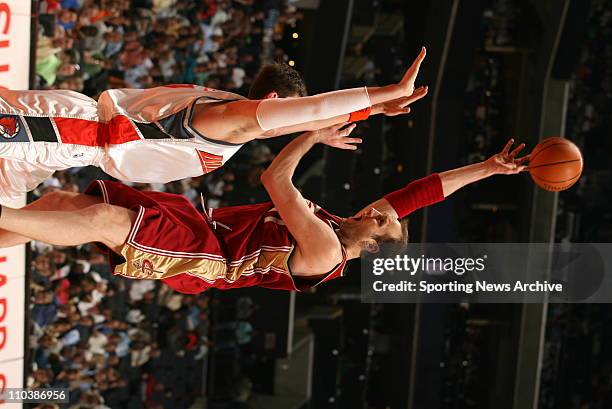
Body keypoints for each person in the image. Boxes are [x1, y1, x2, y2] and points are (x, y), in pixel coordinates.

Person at [0, 121, 529, 293]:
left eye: (380, 218)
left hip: (207, 257)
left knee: (101, 220)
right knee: (62, 201)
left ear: (370, 242)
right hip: (202, 228)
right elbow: (419, 193)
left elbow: (274, 177)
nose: (379, 208)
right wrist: (486, 169)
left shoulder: (325, 248)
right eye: (381, 210)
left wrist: (312, 135)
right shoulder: (347, 226)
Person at [0, 49, 428, 203]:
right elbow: (310, 111)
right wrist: (383, 92)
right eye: (290, 113)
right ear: (274, 101)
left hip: (67, 144)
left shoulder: (231, 118)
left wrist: (368, 114)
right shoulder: (229, 120)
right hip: (63, 132)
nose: (294, 123)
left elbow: (295, 122)